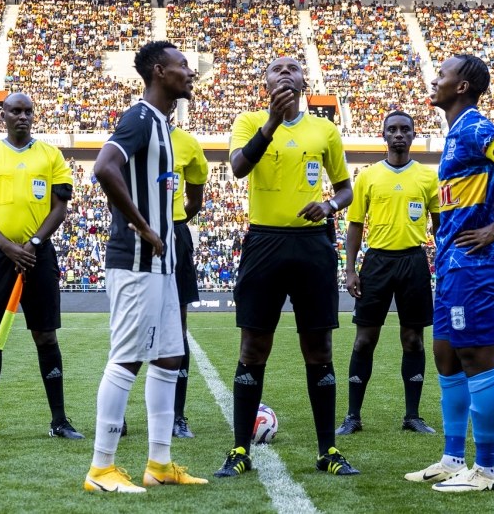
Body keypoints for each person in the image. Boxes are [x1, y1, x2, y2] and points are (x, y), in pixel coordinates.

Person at [214, 56, 359, 479]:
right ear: (265, 83)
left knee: (319, 350)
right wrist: (272, 123)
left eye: (292, 67)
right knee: (253, 348)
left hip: (313, 244)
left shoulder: (325, 130)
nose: (284, 72)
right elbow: (239, 168)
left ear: (303, 80)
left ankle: (328, 450)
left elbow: (346, 188)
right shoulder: (249, 121)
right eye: (276, 69)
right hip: (264, 242)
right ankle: (240, 450)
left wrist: (329, 205)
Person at [405, 54, 494, 493]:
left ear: (461, 87)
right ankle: (452, 457)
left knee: (476, 358)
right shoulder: (455, 134)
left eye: (443, 74)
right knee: (445, 354)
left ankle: (488, 469)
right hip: (451, 264)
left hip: (475, 264)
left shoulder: (477, 127)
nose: (435, 79)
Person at [84, 41, 206, 493]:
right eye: (182, 66)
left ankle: (159, 463)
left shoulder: (164, 125)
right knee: (127, 359)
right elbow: (104, 167)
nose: (190, 72)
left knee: (171, 357)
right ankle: (101, 469)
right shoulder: (139, 118)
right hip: (136, 261)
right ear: (159, 72)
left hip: (162, 266)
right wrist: (142, 226)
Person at [0, 93, 81, 442]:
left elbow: (60, 208)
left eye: (28, 111)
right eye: (15, 110)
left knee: (46, 335)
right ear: (3, 116)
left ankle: (59, 421)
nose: (22, 116)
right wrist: (9, 247)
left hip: (38, 258)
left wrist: (34, 243)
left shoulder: (51, 155)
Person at [336, 110, 440, 436]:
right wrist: (350, 269)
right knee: (365, 339)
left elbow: (440, 226)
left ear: (412, 135)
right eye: (392, 129)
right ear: (384, 136)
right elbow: (354, 225)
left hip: (414, 261)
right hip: (377, 262)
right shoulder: (367, 177)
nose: (398, 134)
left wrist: (447, 264)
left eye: (404, 130)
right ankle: (353, 416)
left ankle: (412, 415)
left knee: (413, 340)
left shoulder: (427, 177)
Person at [168, 109, 209, 438]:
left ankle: (177, 416)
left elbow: (195, 198)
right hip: (137, 237)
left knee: (178, 329)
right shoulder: (131, 134)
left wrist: (174, 219)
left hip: (176, 236)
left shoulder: (188, 144)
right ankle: (119, 412)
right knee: (132, 329)